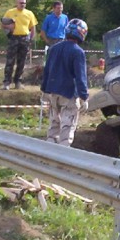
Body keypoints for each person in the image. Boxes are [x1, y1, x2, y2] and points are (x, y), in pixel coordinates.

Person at [40, 18, 89, 146]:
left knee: (53, 126)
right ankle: (63, 159)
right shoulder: (78, 52)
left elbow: (47, 70)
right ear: (82, 33)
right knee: (67, 129)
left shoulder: (53, 49)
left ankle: (47, 154)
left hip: (52, 91)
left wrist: (44, 89)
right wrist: (84, 97)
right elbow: (80, 77)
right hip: (69, 94)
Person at [2, 0, 37, 90]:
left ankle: (18, 81)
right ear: (16, 3)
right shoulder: (10, 12)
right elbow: (3, 24)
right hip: (13, 37)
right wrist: (9, 27)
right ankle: (7, 82)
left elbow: (33, 27)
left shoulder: (29, 13)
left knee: (21, 62)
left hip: (25, 38)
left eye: (24, 3)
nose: (23, 4)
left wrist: (31, 39)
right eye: (21, 3)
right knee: (10, 61)